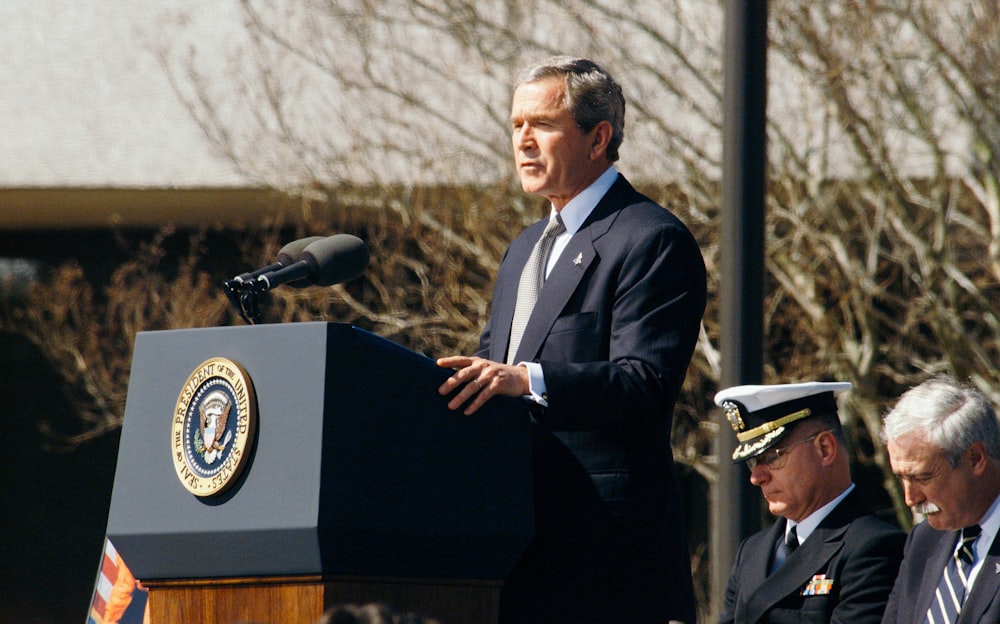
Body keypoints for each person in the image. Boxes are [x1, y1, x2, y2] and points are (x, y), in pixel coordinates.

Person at [436, 56, 706, 624]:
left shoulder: (651, 239)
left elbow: (644, 382)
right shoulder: (522, 249)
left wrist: (525, 379)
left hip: (605, 560)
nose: (524, 141)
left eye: (542, 125)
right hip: (517, 550)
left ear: (598, 137)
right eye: (516, 126)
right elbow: (489, 374)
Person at [714, 382, 905, 624]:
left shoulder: (874, 547)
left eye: (772, 457)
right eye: (753, 462)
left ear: (825, 449)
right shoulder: (751, 552)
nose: (756, 477)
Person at [880, 375, 1000, 623]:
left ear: (975, 459)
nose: (910, 498)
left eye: (923, 477)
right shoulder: (924, 541)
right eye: (901, 477)